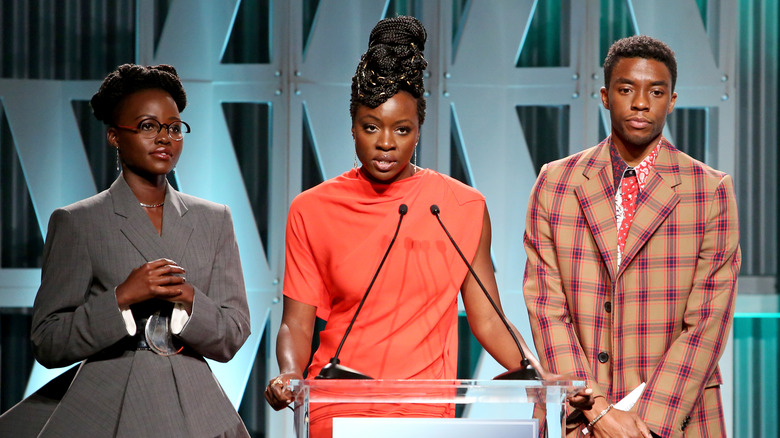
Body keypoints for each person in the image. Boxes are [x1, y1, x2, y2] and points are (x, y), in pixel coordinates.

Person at [264, 15, 591, 438]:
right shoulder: (312, 208)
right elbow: (296, 322)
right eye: (371, 127)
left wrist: (536, 374)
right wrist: (289, 373)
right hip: (338, 407)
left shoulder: (461, 206)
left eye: (402, 129)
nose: (385, 143)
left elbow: (489, 319)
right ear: (352, 127)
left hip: (428, 412)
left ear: (418, 131)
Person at [0, 64, 251, 437]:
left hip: (195, 407)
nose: (164, 138)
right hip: (109, 405)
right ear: (115, 136)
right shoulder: (78, 221)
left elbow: (234, 331)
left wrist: (188, 298)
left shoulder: (214, 220)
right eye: (148, 126)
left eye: (174, 126)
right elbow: (48, 341)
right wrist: (121, 298)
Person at [523, 35, 740, 438]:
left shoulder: (708, 190)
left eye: (656, 91)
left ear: (672, 100)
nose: (641, 102)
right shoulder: (556, 182)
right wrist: (599, 411)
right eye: (626, 89)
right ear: (605, 96)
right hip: (582, 415)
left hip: (677, 415)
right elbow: (546, 306)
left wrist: (644, 425)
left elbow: (709, 319)